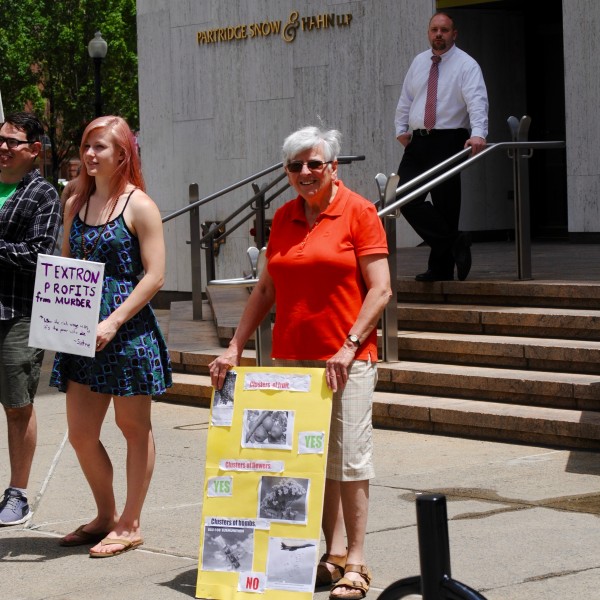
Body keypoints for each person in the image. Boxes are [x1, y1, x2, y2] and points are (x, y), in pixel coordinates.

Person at [209, 126, 392, 599]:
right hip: (291, 359)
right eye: (295, 166)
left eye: (315, 164)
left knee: (348, 459)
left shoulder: (360, 212)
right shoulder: (285, 216)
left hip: (346, 359)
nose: (305, 173)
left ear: (332, 167)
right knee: (306, 462)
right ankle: (326, 558)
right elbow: (266, 290)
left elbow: (381, 289)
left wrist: (350, 345)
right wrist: (235, 345)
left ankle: (356, 561)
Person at [50, 116, 172, 557]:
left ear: (123, 154)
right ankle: (105, 515)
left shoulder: (140, 205)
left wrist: (114, 320)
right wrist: (56, 319)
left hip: (126, 330)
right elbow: (66, 267)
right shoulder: (74, 202)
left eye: (99, 147)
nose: (89, 154)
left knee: (133, 427)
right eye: (86, 146)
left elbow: (156, 275)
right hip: (81, 330)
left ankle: (130, 522)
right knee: (81, 433)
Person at [395, 11, 488, 282]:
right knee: (403, 197)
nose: (439, 34)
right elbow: (407, 97)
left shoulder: (466, 65)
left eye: (444, 30)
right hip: (418, 140)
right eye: (434, 29)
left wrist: (479, 133)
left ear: (454, 34)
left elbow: (477, 102)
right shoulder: (419, 62)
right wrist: (401, 128)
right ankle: (455, 241)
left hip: (450, 140)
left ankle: (441, 268)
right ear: (428, 33)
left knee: (446, 205)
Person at [0, 112, 61, 526]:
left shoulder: (42, 195)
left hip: (16, 314)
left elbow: (41, 254)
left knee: (17, 405)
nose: (3, 147)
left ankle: (17, 494)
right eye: (0, 139)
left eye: (13, 142)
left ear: (35, 150)